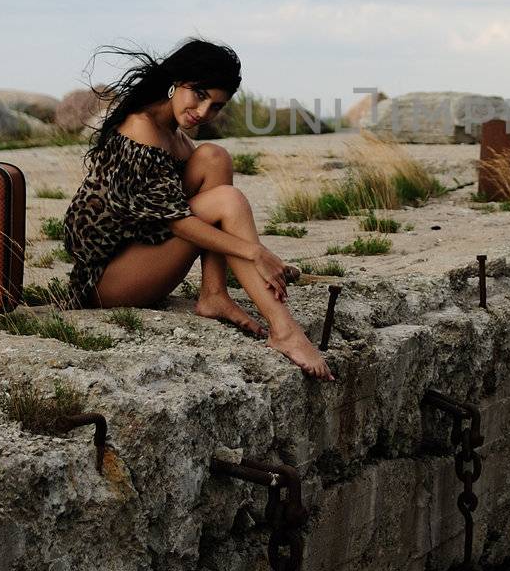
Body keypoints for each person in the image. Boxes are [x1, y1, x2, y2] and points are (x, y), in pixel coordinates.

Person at [62, 39, 332, 380]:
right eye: (199, 94)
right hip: (105, 281)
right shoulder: (140, 128)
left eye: (216, 106)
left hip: (140, 254)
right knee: (228, 201)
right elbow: (180, 224)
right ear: (176, 82)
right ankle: (285, 331)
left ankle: (214, 293)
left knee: (214, 158)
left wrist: (256, 253)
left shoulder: (173, 135)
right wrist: (255, 252)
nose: (204, 112)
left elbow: (190, 205)